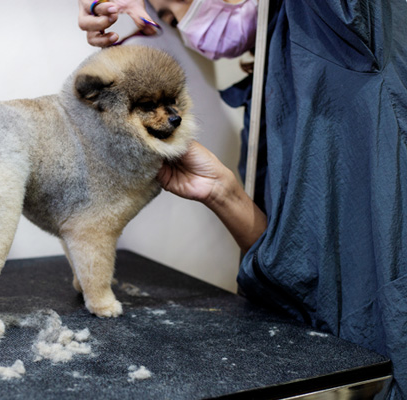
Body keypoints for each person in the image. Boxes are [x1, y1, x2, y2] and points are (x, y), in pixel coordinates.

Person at [78, 1, 407, 398]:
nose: (186, 21)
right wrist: (223, 193)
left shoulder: (347, 25)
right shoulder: (275, 80)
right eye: (168, 18)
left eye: (179, 2)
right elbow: (295, 273)